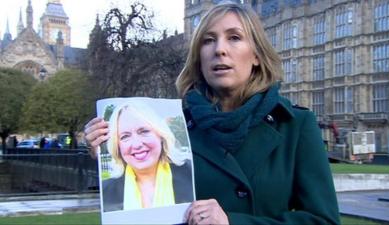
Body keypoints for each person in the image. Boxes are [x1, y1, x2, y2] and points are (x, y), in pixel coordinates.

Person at [85, 2, 340, 225]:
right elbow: (144, 211)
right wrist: (111, 159)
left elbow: (323, 220)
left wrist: (233, 222)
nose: (219, 49)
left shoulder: (295, 126)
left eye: (234, 38)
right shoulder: (175, 129)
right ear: (199, 57)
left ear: (257, 56)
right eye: (208, 40)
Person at [98, 102, 193, 212]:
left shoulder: (192, 175)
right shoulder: (107, 192)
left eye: (144, 131)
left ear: (161, 135)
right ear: (117, 146)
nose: (137, 144)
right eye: (125, 136)